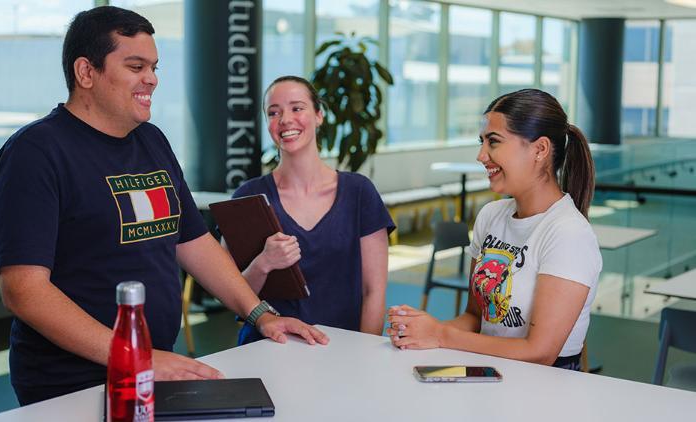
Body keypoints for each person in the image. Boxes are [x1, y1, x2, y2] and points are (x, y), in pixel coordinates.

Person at [0, 7, 327, 405]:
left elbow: (194, 244)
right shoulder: (35, 154)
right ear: (86, 72)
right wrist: (136, 357)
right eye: (135, 66)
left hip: (151, 367)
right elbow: (24, 291)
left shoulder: (152, 141)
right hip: (70, 384)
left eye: (154, 66)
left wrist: (261, 315)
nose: (152, 78)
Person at [386, 89, 601, 370]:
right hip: (489, 373)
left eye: (493, 142)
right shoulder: (491, 216)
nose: (481, 155)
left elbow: (540, 352)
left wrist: (440, 335)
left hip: (544, 389)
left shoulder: (569, 234)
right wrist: (420, 330)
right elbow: (475, 318)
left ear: (540, 149)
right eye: (482, 142)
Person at [226, 76, 395, 344]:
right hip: (269, 348)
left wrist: (366, 354)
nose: (284, 120)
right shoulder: (247, 197)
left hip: (343, 349)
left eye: (297, 108)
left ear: (319, 115)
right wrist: (263, 263)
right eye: (274, 112)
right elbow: (231, 296)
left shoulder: (359, 192)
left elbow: (373, 291)